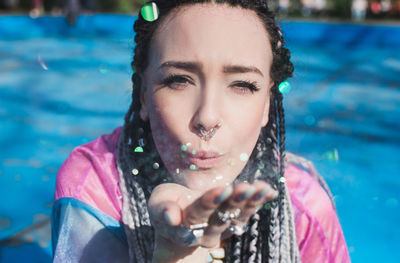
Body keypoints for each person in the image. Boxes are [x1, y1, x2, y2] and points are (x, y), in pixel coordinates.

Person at [51, 0, 351, 262]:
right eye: (178, 80)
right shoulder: (94, 187)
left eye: (243, 85)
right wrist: (174, 254)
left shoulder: (302, 205)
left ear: (266, 106)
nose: (207, 118)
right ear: (143, 95)